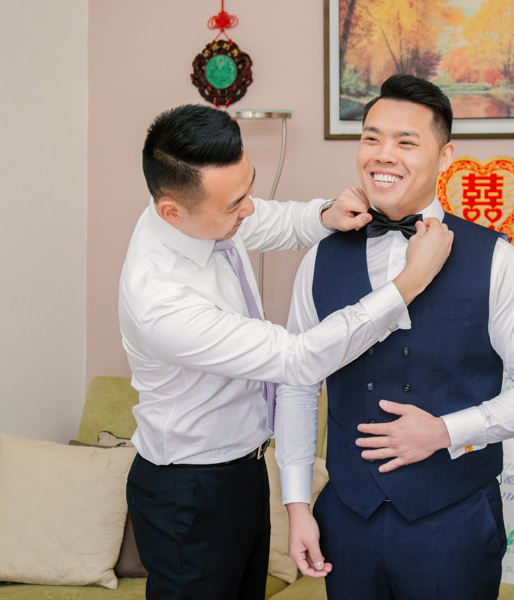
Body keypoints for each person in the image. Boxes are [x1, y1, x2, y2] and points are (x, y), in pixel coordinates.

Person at [118, 103, 454, 600]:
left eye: (249, 187)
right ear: (172, 211)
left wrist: (324, 214)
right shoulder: (160, 302)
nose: (249, 209)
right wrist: (408, 283)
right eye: (235, 205)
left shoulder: (201, 215)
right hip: (189, 491)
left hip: (245, 470)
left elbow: (266, 221)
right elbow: (298, 359)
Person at [277, 75, 514, 600]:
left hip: (454, 523)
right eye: (371, 138)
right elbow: (296, 385)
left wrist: (445, 432)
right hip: (348, 520)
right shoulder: (319, 257)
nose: (383, 154)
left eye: (406, 141)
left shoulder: (496, 258)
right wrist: (297, 506)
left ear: (444, 155)